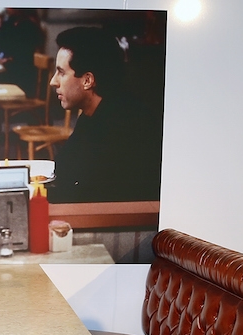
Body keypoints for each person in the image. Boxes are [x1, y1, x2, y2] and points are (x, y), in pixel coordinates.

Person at [48, 27, 162, 204]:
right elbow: (63, 168)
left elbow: (84, 195)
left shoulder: (124, 125)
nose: (53, 81)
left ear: (88, 80)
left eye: (61, 72)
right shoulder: (93, 113)